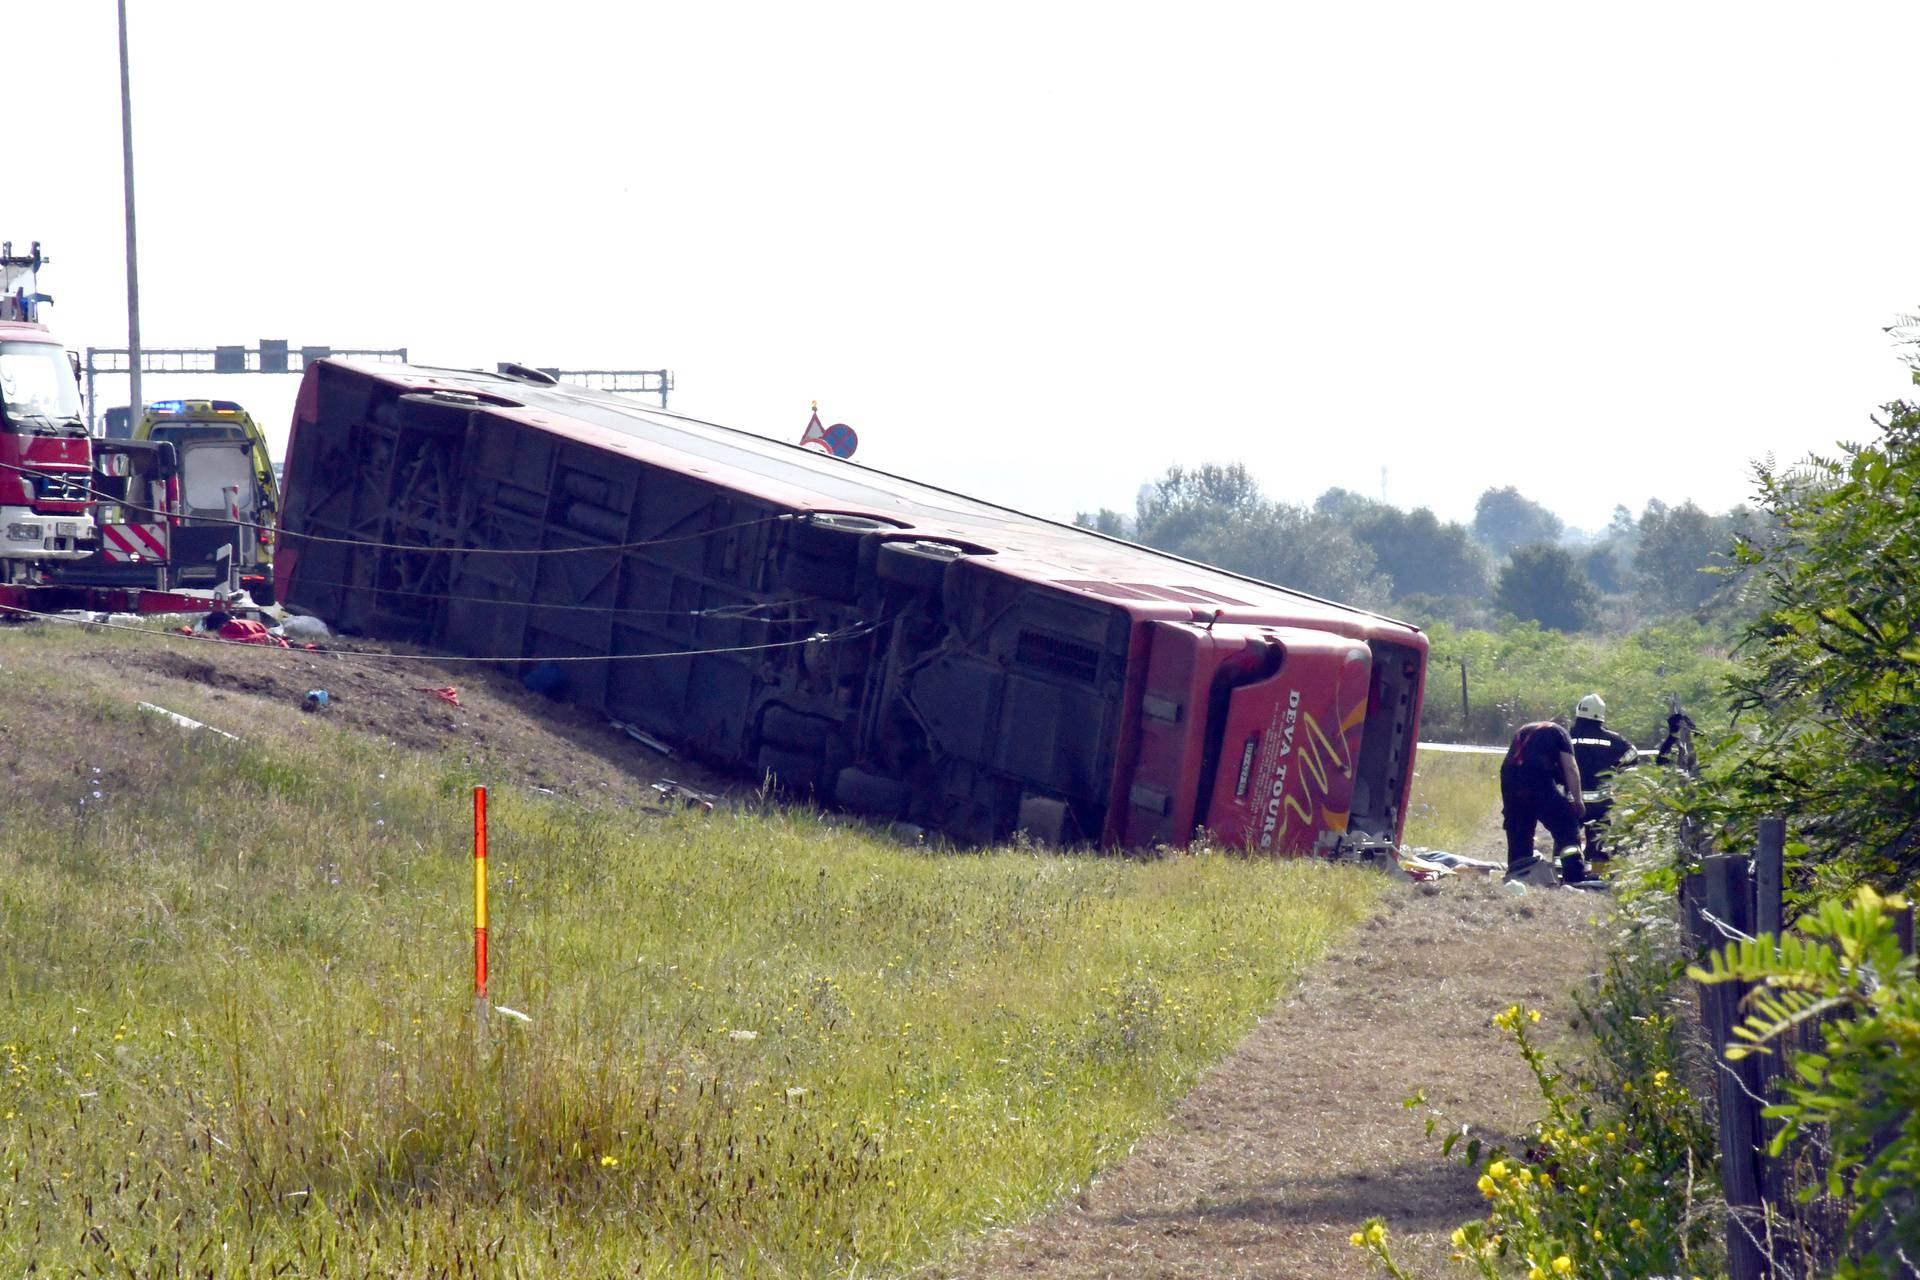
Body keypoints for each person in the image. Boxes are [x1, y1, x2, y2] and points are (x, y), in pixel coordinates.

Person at [1499, 718, 1605, 888]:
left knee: (1519, 828)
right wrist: (1577, 800)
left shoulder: (1525, 729)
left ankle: (1519, 874)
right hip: (1537, 776)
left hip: (1508, 778)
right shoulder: (1560, 733)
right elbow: (1570, 767)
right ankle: (1574, 878)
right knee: (1566, 825)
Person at [1568, 693, 1638, 863]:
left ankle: (1565, 872)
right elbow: (1633, 754)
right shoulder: (1611, 739)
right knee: (1599, 842)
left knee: (1567, 839)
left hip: (1571, 801)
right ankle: (1597, 873)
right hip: (1600, 804)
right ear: (1600, 715)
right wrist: (1616, 768)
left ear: (1579, 712)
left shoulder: (1566, 736)